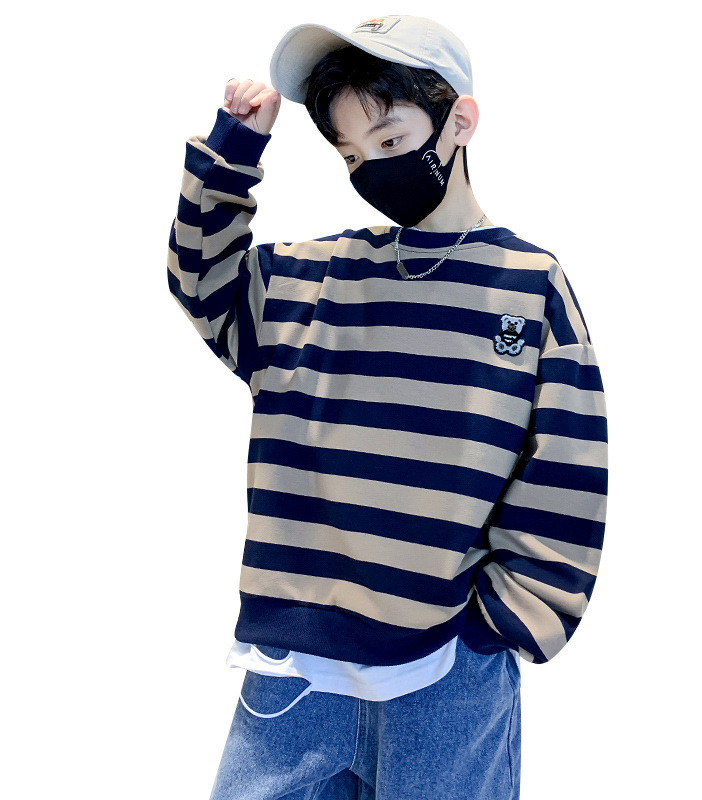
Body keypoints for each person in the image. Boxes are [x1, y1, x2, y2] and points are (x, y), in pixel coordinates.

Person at [167, 13, 608, 800]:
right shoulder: (312, 278)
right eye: (350, 154)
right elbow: (201, 281)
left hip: (448, 673)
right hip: (292, 671)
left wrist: (498, 625)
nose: (371, 167)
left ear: (459, 121)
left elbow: (568, 460)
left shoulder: (529, 285)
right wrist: (235, 149)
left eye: (391, 139)